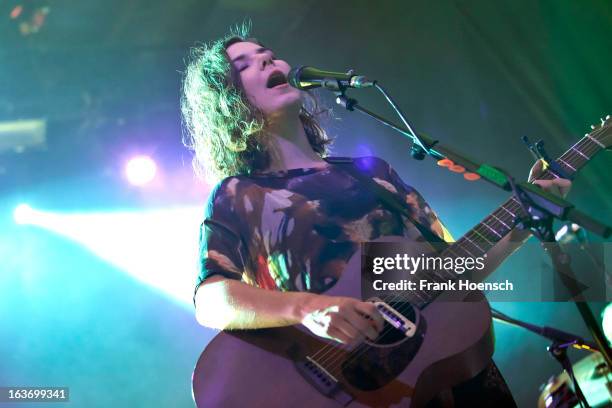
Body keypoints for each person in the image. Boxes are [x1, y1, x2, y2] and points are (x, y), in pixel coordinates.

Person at [181, 26, 571, 407]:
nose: (266, 58)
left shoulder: (371, 173)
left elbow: (455, 268)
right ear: (228, 101)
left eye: (266, 51)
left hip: (455, 375)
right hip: (349, 387)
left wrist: (527, 214)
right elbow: (211, 300)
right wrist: (310, 309)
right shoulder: (239, 194)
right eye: (244, 65)